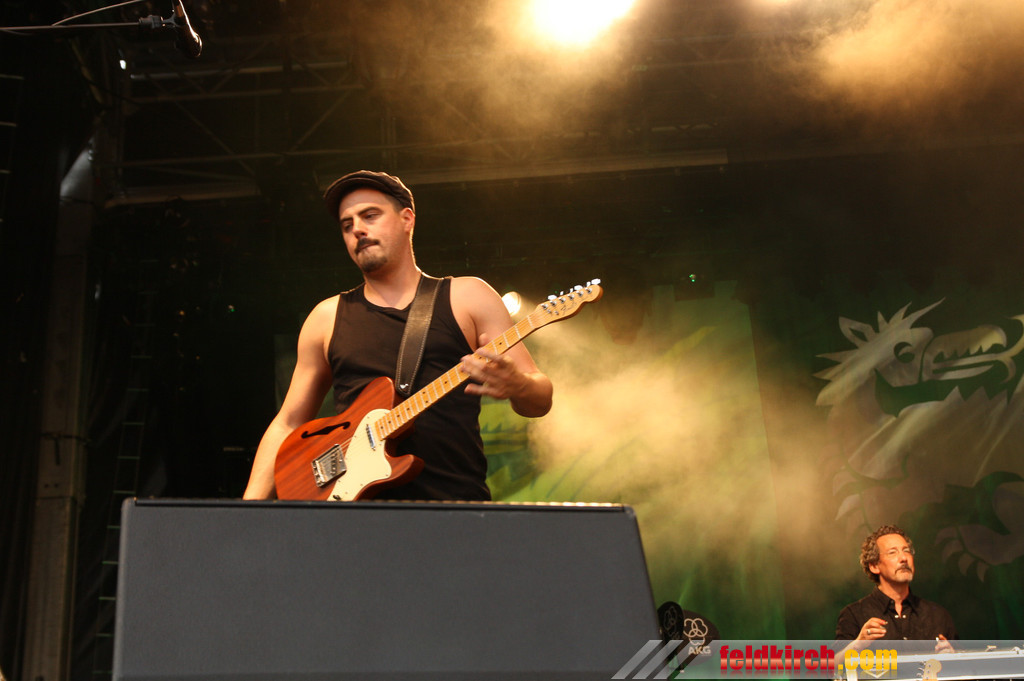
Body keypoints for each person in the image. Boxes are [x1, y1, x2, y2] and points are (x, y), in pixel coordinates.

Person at [243, 170, 552, 501]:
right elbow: (288, 423)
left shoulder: (468, 297)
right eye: (347, 225)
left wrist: (520, 385)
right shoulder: (326, 317)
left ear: (407, 219)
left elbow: (540, 398)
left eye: (370, 216)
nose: (357, 229)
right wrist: (245, 511)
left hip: (455, 509)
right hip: (353, 515)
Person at [835, 525, 957, 646]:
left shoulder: (937, 615)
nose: (903, 558)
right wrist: (858, 644)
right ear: (874, 566)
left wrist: (951, 655)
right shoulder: (854, 614)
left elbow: (961, 657)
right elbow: (832, 659)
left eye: (906, 551)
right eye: (892, 552)